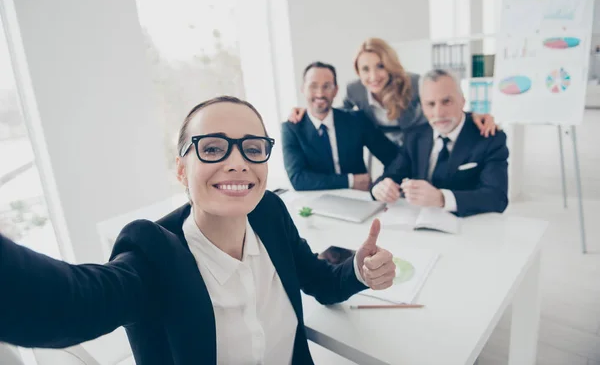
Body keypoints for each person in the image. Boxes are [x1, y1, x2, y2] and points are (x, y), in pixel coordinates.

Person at [0, 96, 397, 365]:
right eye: (212, 148)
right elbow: (65, 303)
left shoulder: (270, 213)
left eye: (253, 148)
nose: (238, 162)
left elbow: (321, 282)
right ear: (180, 170)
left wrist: (360, 271)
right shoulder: (153, 255)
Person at [288, 38, 497, 146]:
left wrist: (474, 116)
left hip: (420, 143)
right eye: (365, 69)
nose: (373, 76)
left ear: (390, 64)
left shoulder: (414, 82)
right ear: (358, 72)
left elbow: (440, 104)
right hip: (385, 149)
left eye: (380, 66)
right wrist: (308, 112)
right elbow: (337, 115)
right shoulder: (355, 89)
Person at [371, 69, 509, 217]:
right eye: (430, 104)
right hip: (418, 226)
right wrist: (381, 188)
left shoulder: (489, 137)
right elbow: (392, 173)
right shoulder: (415, 136)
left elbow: (497, 198)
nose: (439, 113)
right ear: (422, 107)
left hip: (467, 228)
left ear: (462, 100)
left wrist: (442, 199)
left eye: (447, 101)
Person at [281, 61, 400, 191]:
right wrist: (350, 180)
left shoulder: (357, 120)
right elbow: (298, 179)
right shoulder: (291, 128)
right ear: (303, 89)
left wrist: (382, 184)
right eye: (313, 86)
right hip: (316, 201)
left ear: (336, 90)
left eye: (327, 86)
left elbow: (393, 157)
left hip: (358, 198)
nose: (320, 93)